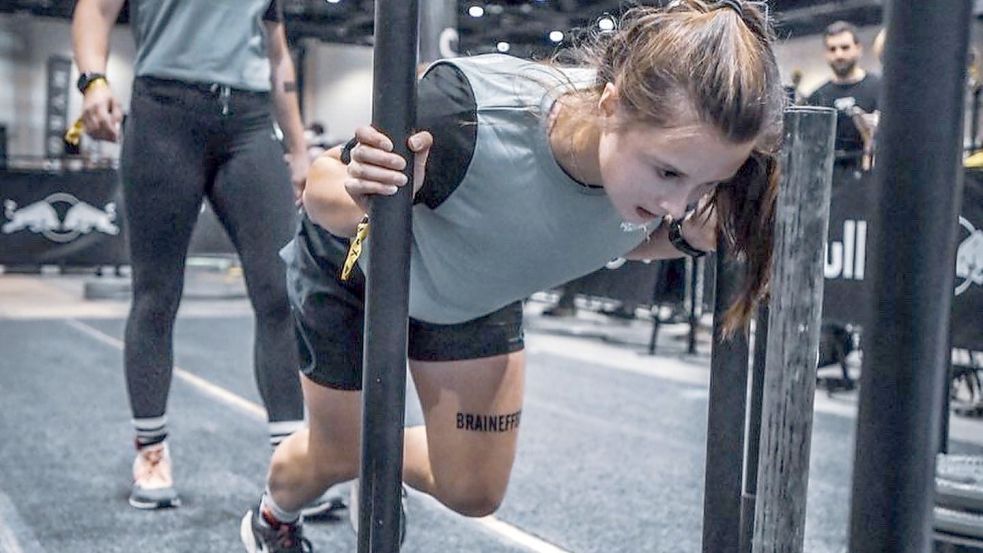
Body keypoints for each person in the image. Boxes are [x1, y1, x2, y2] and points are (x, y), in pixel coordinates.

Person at [240, 1, 784, 551]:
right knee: (333, 455)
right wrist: (367, 193)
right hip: (357, 269)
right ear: (611, 104)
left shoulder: (681, 173)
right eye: (667, 172)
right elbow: (319, 190)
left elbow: (590, 234)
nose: (677, 203)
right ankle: (274, 516)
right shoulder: (461, 113)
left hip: (475, 286)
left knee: (473, 490)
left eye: (702, 186)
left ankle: (375, 457)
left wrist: (686, 238)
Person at [71, 0, 339, 516]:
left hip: (249, 122)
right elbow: (95, 11)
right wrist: (93, 81)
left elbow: (277, 54)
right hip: (163, 115)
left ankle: (290, 458)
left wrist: (301, 148)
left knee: (282, 289)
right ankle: (151, 453)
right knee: (156, 296)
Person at [805, 21, 881, 170]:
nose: (838, 54)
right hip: (829, 179)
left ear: (858, 49)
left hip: (869, 176)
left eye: (845, 48)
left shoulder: (879, 88)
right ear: (825, 53)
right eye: (832, 49)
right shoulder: (816, 97)